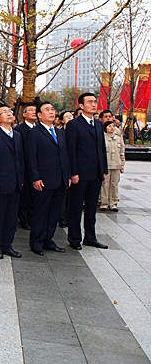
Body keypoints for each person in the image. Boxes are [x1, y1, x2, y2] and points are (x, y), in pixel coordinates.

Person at [26, 101, 70, 255]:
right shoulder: (34, 132)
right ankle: (36, 242)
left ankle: (48, 240)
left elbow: (65, 156)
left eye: (52, 109)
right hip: (43, 180)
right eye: (47, 109)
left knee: (54, 213)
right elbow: (31, 157)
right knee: (41, 212)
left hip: (60, 180)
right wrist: (35, 178)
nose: (51, 112)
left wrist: (67, 175)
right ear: (39, 115)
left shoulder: (60, 132)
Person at [66, 92, 109, 251]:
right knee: (76, 207)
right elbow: (71, 150)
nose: (93, 104)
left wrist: (103, 169)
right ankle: (74, 238)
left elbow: (101, 148)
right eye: (90, 102)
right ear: (81, 105)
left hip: (96, 172)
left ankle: (90, 237)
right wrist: (73, 172)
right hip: (80, 173)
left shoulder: (98, 124)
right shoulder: (74, 124)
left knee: (91, 208)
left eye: (95, 101)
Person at [0, 104, 23, 259]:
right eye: (5, 112)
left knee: (12, 217)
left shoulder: (18, 135)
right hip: (0, 183)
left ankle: (8, 245)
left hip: (15, 182)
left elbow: (20, 160)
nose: (9, 114)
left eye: (10, 111)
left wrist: (21, 179)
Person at [15, 102, 37, 231]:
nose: (34, 112)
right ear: (24, 114)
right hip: (25, 168)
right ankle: (23, 219)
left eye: (35, 110)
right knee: (25, 196)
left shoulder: (39, 128)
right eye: (31, 110)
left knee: (35, 197)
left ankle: (32, 217)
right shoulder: (19, 130)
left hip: (37, 168)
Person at [100, 120, 125, 212]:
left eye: (113, 126)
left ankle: (113, 203)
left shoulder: (118, 138)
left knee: (114, 184)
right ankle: (104, 203)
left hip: (116, 165)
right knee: (105, 185)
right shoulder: (102, 138)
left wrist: (122, 164)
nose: (112, 128)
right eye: (109, 126)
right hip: (106, 165)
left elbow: (122, 152)